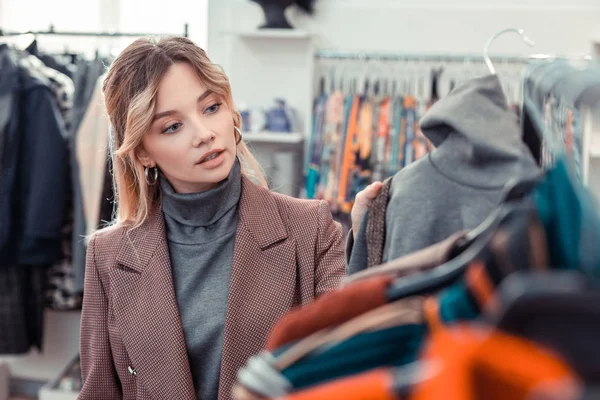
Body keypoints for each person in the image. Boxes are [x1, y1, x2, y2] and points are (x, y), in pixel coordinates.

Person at [78, 37, 347, 400]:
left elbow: (345, 372)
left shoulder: (310, 228)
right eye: (172, 126)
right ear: (142, 153)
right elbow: (99, 392)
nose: (205, 134)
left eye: (211, 107)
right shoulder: (108, 256)